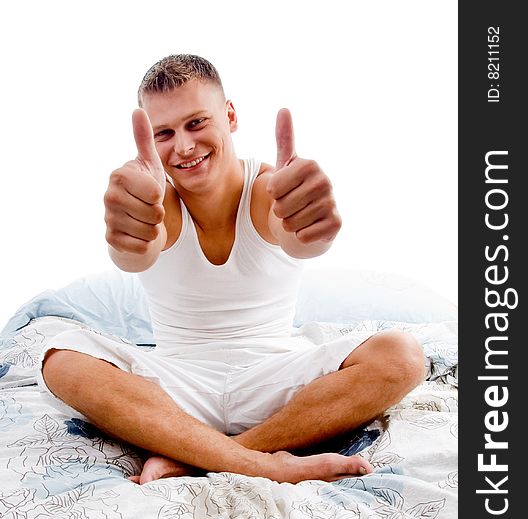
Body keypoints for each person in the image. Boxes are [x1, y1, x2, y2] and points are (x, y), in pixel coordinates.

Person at [39, 54, 426, 485]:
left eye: (197, 123)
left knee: (402, 355)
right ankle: (266, 465)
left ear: (230, 116)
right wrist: (125, 239)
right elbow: (136, 254)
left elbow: (297, 235)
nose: (183, 146)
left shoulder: (267, 189)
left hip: (275, 385)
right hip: (177, 388)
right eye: (164, 133)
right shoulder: (154, 201)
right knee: (61, 357)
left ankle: (205, 456)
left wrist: (314, 230)